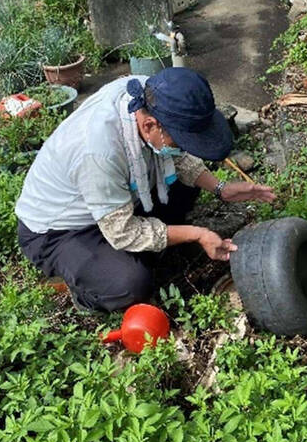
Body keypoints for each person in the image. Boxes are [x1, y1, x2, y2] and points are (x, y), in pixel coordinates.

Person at [15, 68, 276, 312]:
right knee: (130, 284)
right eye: (181, 140)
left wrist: (221, 188)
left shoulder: (149, 93)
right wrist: (196, 234)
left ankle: (144, 250)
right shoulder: (99, 152)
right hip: (59, 230)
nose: (184, 148)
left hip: (109, 199)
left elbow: (179, 158)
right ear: (149, 125)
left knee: (185, 187)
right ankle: (85, 290)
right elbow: (122, 231)